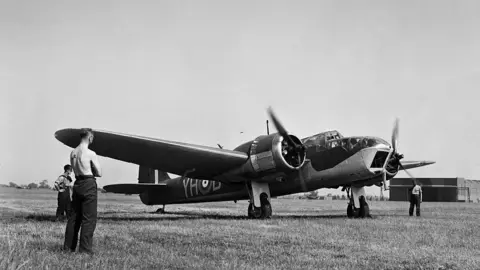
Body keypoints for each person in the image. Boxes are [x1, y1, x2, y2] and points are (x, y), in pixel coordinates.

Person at [64, 128, 102, 255]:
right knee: (89, 218)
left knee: (74, 217)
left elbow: (75, 168)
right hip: (88, 182)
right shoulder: (91, 153)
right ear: (90, 137)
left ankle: (68, 248)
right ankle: (85, 250)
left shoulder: (73, 152)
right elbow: (99, 173)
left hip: (77, 183)